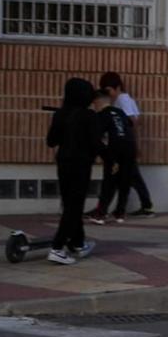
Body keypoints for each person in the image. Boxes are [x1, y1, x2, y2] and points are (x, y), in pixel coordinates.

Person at [45, 78, 102, 265]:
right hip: (81, 164)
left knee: (71, 203)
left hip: (63, 163)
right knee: (74, 206)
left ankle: (78, 243)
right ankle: (57, 247)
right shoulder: (89, 116)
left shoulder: (60, 114)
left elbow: (51, 141)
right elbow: (96, 144)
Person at [91, 71, 153, 220]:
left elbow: (131, 121)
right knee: (129, 177)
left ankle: (144, 206)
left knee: (124, 178)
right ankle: (121, 209)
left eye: (109, 90)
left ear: (117, 87)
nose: (108, 94)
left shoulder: (122, 100)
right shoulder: (122, 100)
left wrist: (132, 142)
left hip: (123, 145)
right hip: (127, 144)